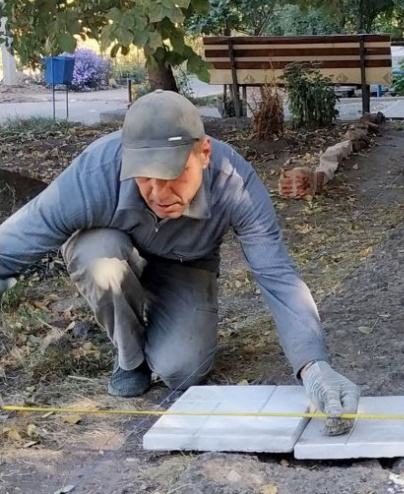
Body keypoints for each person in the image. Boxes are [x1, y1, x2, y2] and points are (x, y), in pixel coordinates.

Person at [0, 90, 359, 436]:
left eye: (172, 176)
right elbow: (13, 242)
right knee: (99, 260)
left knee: (182, 371)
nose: (159, 194)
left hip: (186, 263)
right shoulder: (97, 172)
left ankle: (159, 321)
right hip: (113, 251)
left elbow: (277, 275)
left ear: (203, 152)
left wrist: (314, 366)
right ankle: (130, 359)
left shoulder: (235, 182)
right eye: (144, 178)